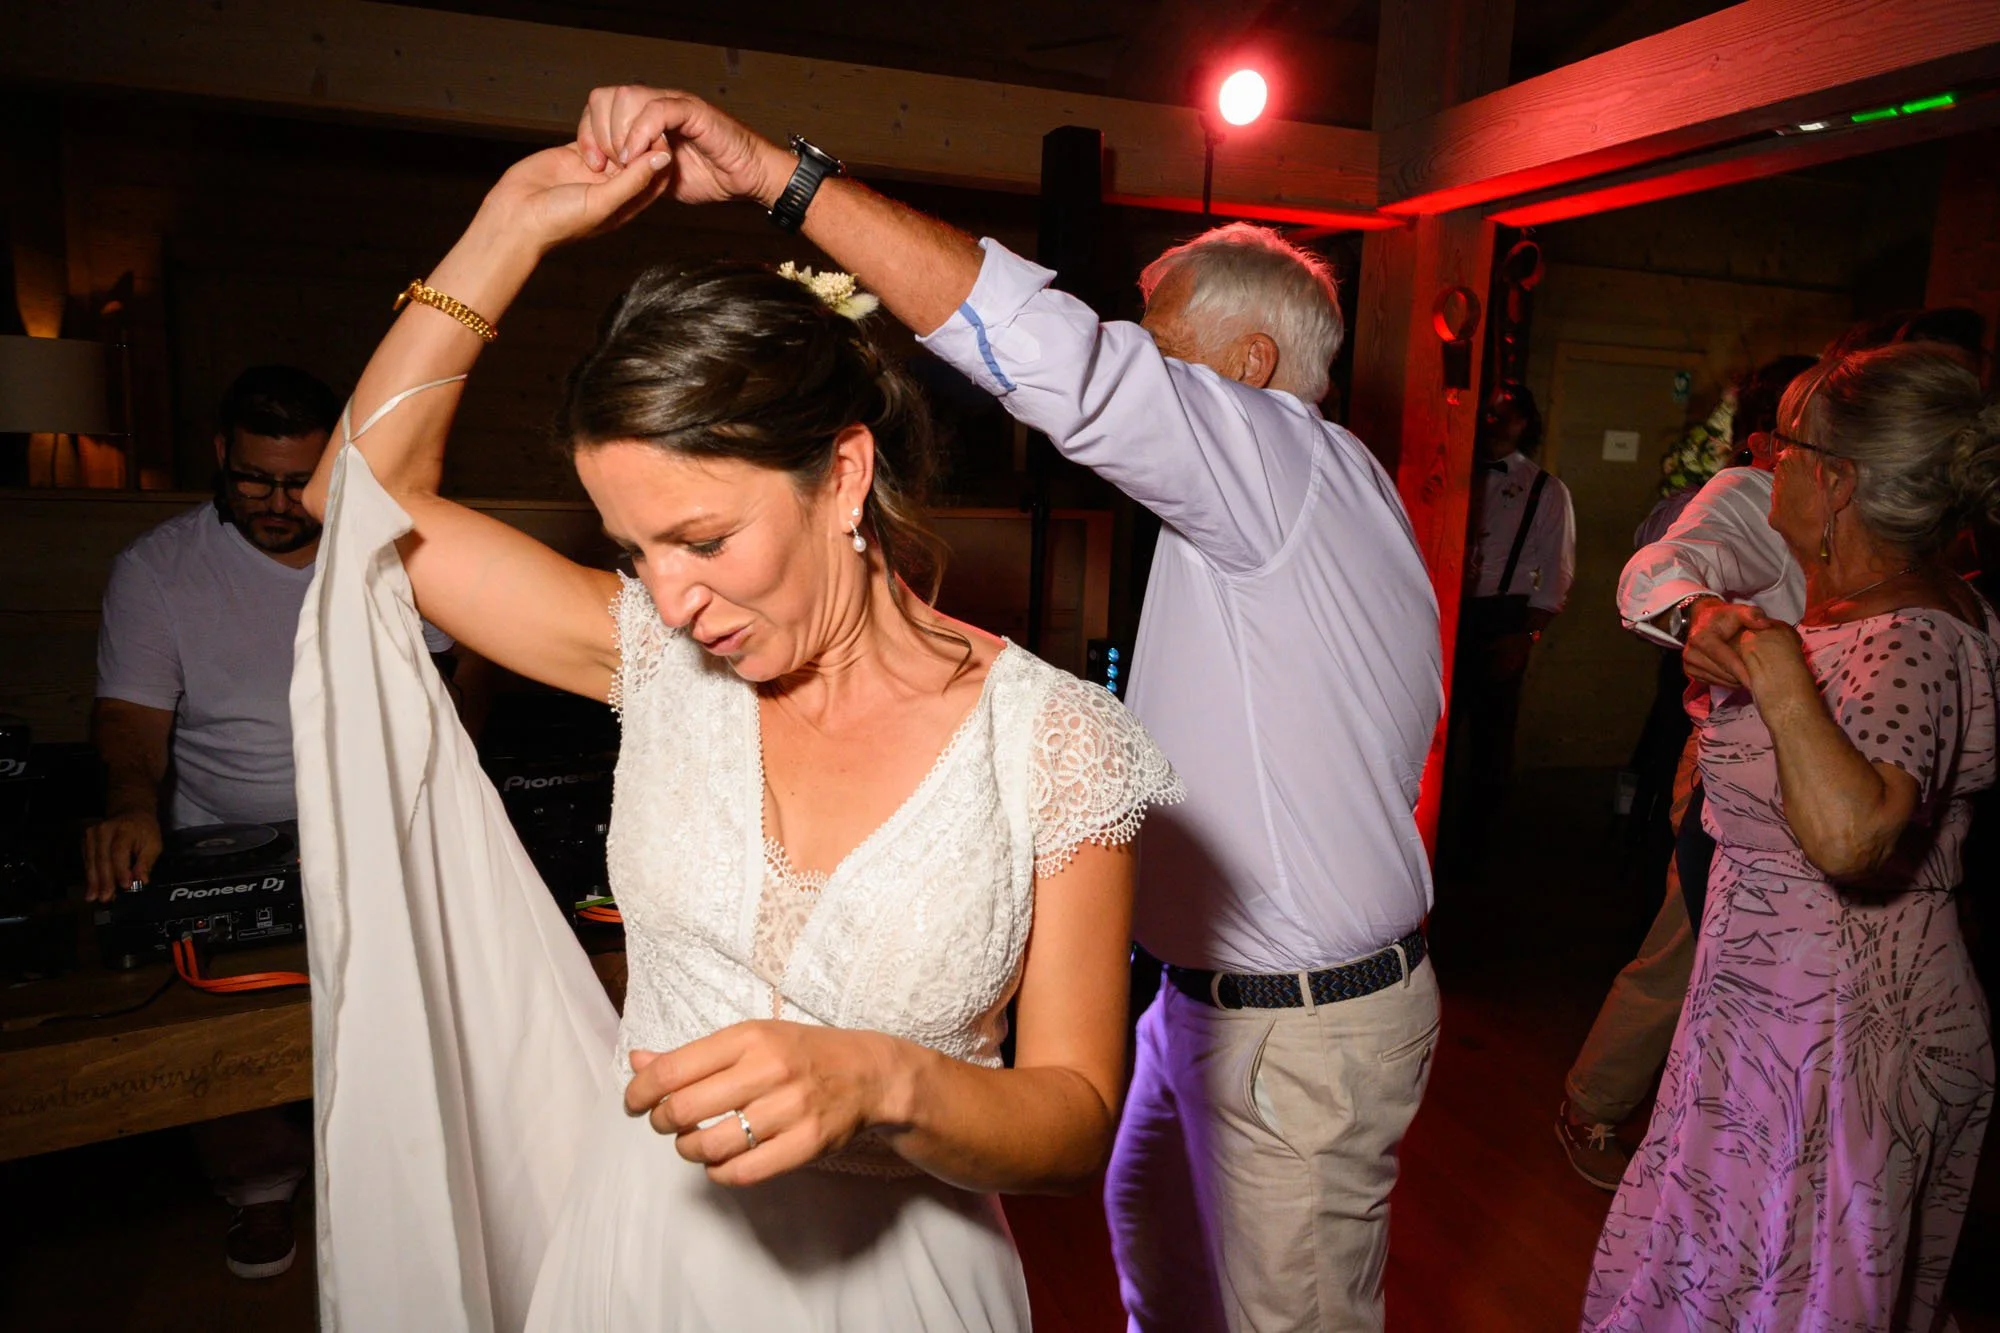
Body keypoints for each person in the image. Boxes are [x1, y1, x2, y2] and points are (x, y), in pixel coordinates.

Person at [570, 82, 1445, 1332]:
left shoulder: (1276, 462)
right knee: (1162, 1290)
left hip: (1303, 1027)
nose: (1136, 361)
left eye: (1161, 344)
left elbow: (1066, 369)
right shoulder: (1283, 511)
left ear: (1248, 373)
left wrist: (784, 177)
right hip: (1199, 1001)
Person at [301, 119, 1183, 1330]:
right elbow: (356, 504)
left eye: (704, 540)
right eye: (635, 552)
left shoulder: (1055, 743)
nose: (669, 599)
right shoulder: (653, 661)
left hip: (900, 1288)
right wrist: (510, 224)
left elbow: (1077, 1117)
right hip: (638, 1264)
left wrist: (885, 1080)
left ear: (842, 474)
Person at [1582, 342, 2000, 1330]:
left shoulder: (1910, 633)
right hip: (1779, 1014)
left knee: (1784, 1296)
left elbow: (1853, 835)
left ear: (1834, 479)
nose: (1770, 463)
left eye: (1790, 448)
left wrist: (1772, 674)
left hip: (1836, 1035)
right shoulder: (1876, 612)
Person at [82, 365, 453, 1280]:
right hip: (225, 832)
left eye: (300, 480)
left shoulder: (380, 554)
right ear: (221, 455)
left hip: (372, 824)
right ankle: (257, 1185)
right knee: (224, 1018)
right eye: (254, 478)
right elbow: (129, 718)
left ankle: (390, 1183)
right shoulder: (158, 569)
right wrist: (131, 802)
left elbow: (443, 687)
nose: (279, 502)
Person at [1556, 354, 1815, 1188]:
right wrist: (1706, 621)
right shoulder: (1750, 493)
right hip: (1732, 765)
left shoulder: (1857, 513)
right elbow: (1650, 574)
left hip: (1800, 778)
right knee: (1686, 952)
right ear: (1769, 440)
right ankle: (1594, 1106)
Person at [1444, 383, 1575, 868]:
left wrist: (1527, 635)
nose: (1495, 422)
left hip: (1500, 617)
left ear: (1526, 423)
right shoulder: (1453, 472)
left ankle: (1474, 855)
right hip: (1444, 613)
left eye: (1507, 415)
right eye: (1490, 413)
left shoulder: (1546, 490)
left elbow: (1557, 573)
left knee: (1490, 742)